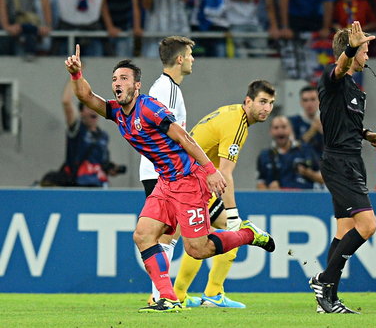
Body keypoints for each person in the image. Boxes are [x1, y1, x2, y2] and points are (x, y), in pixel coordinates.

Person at [64, 44, 275, 312]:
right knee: (143, 235)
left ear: (137, 85)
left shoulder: (149, 107)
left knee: (197, 249)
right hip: (165, 182)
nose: (117, 83)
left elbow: (184, 137)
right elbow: (86, 96)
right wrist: (75, 74)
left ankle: (248, 234)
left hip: (189, 180)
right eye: (114, 79)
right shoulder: (118, 112)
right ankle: (168, 297)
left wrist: (210, 170)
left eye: (124, 78)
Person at [173, 79, 276, 309]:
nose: (266, 108)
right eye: (261, 101)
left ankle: (181, 294)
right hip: (190, 182)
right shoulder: (236, 125)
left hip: (186, 179)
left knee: (199, 239)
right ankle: (211, 294)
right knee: (233, 232)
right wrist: (232, 214)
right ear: (248, 101)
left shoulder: (231, 113)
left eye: (270, 103)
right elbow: (225, 174)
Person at [309, 21, 376, 314]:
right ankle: (324, 280)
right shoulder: (333, 78)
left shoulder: (352, 88)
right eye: (364, 50)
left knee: (344, 229)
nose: (367, 56)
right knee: (368, 225)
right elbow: (340, 67)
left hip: (351, 159)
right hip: (340, 162)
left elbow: (341, 121)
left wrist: (366, 134)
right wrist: (351, 47)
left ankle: (328, 300)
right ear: (351, 53)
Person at [138, 35, 194, 305]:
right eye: (190, 55)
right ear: (180, 58)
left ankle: (159, 294)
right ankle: (160, 294)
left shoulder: (164, 87)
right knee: (163, 235)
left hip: (159, 169)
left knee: (169, 234)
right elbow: (168, 133)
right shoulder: (167, 89)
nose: (193, 59)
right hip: (162, 171)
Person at [256, 115, 323, 190]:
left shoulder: (305, 150)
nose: (280, 131)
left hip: (305, 199)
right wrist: (269, 192)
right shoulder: (265, 155)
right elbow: (260, 183)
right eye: (276, 128)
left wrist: (307, 173)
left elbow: (323, 179)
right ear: (270, 131)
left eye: (284, 127)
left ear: (290, 129)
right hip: (278, 200)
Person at [288, 85, 323, 158]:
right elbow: (290, 148)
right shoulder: (292, 122)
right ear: (301, 102)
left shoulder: (327, 121)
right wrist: (312, 131)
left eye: (313, 99)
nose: (309, 104)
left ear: (319, 101)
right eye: (305, 100)